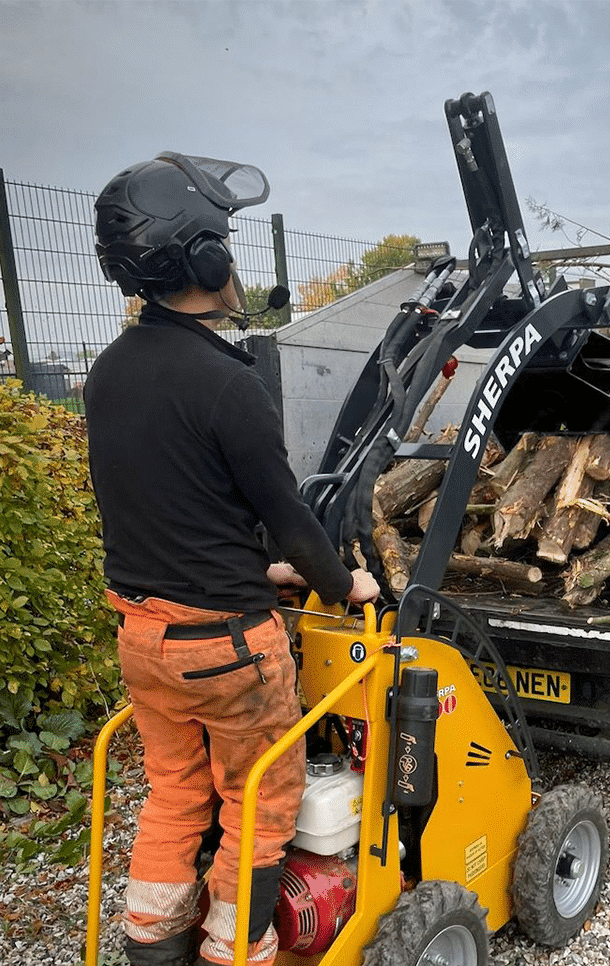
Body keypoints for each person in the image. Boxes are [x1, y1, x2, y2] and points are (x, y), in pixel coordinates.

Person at [85, 152, 380, 966]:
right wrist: (338, 579)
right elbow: (287, 517)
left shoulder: (107, 375)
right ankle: (233, 948)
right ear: (204, 261)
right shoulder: (227, 383)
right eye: (223, 243)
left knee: (176, 793)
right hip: (228, 651)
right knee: (260, 801)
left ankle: (151, 944)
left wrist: (259, 574)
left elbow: (172, 508)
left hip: (144, 638)